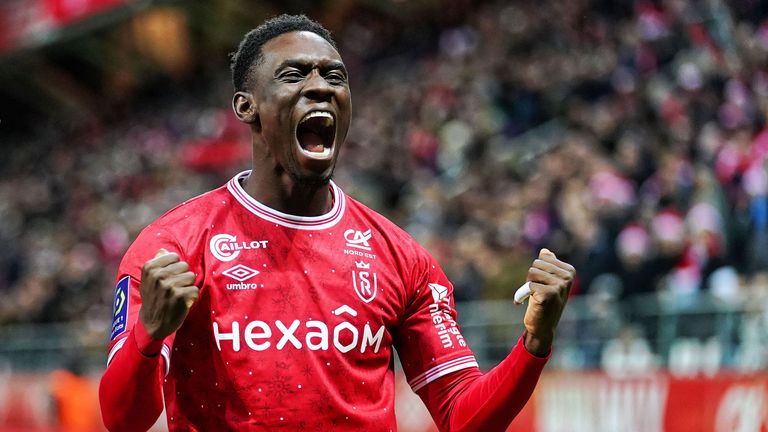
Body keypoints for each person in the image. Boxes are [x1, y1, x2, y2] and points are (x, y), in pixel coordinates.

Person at [98, 14, 575, 432]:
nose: (321, 86)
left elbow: (461, 415)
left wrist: (534, 345)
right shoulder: (174, 247)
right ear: (247, 106)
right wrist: (149, 334)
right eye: (294, 74)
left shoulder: (401, 257)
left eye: (334, 76)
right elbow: (123, 419)